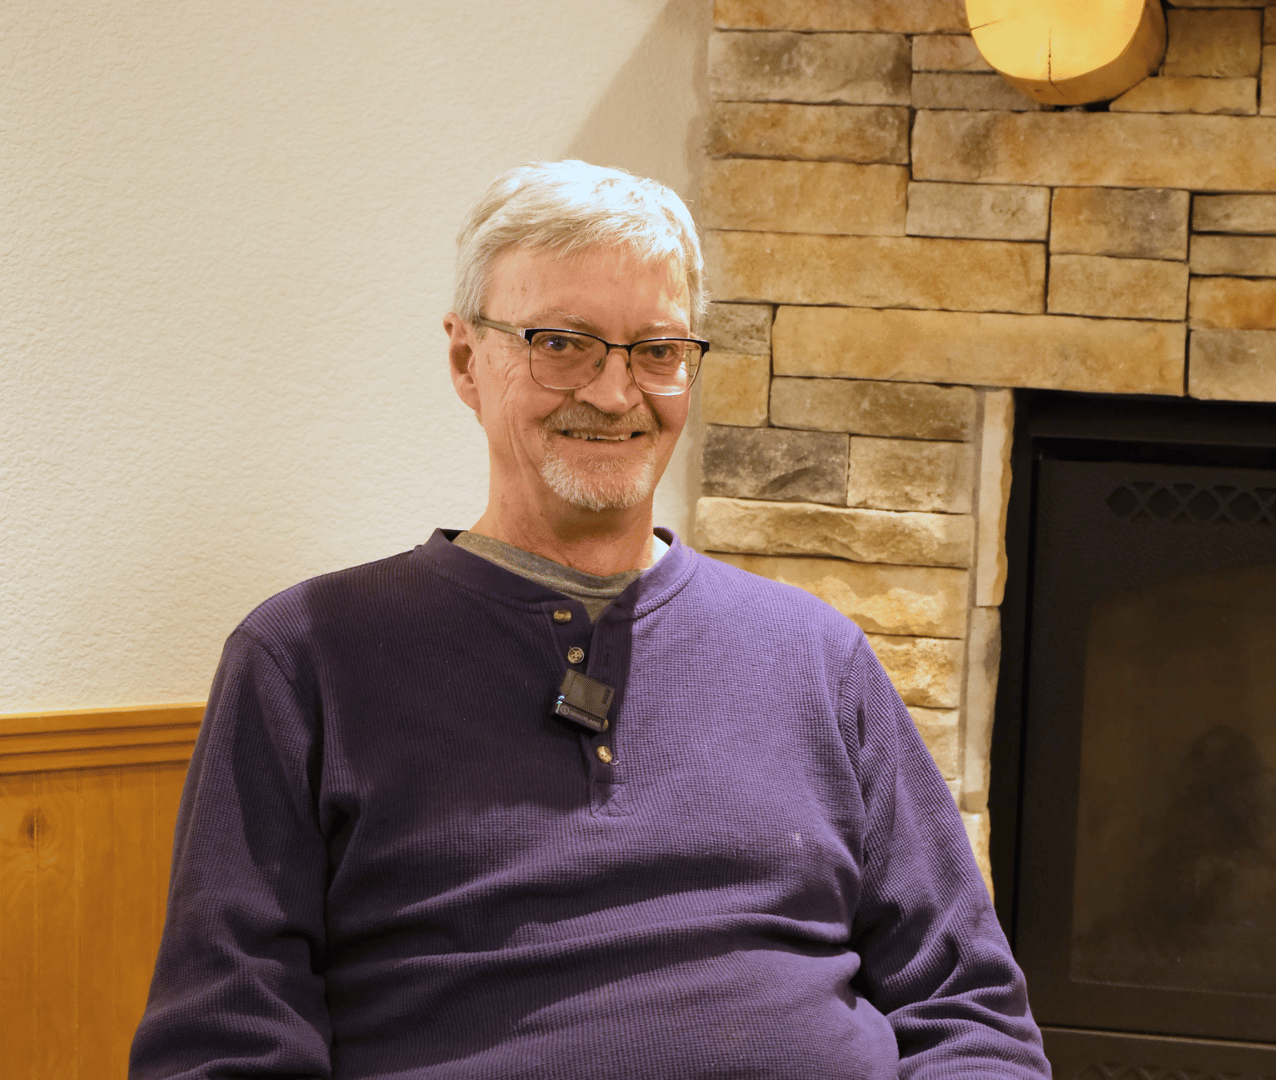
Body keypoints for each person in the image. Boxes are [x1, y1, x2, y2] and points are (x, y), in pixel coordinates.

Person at [127, 160, 1052, 1080]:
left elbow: (968, 1008)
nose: (614, 394)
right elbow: (224, 1043)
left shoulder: (816, 656)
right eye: (562, 343)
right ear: (466, 360)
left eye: (657, 351)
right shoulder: (304, 658)